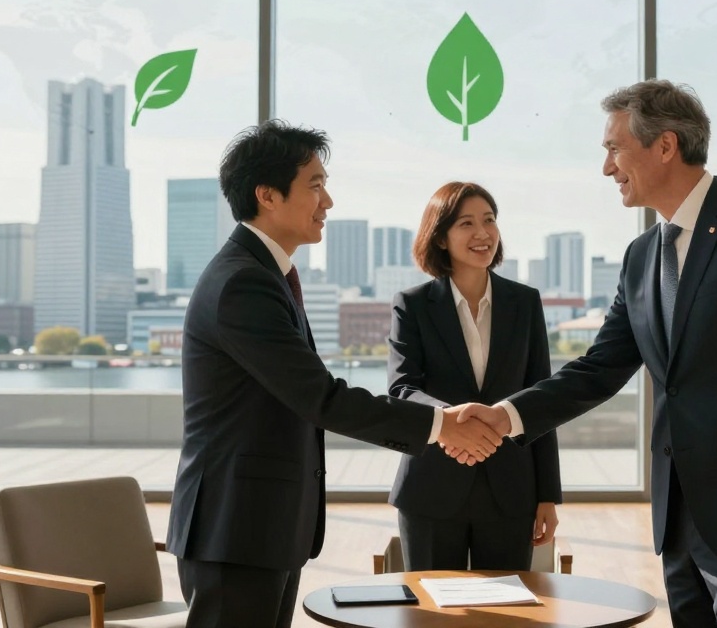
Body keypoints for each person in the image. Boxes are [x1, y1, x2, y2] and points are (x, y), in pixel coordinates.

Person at [457, 80, 717, 628]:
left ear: (665, 146)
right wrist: (505, 416)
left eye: (615, 149)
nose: (608, 168)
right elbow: (599, 369)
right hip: (679, 522)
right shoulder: (642, 255)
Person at [165, 121, 504, 628]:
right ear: (268, 196)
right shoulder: (243, 284)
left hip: (262, 526)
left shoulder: (265, 276)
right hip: (235, 528)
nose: (328, 201)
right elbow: (320, 397)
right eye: (316, 185)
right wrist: (441, 425)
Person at [387, 182, 562, 571]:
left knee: (508, 611)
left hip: (512, 490)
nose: (483, 233)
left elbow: (542, 400)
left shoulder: (525, 303)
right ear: (441, 237)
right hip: (431, 487)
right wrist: (454, 420)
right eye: (466, 223)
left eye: (489, 220)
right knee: (431, 613)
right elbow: (402, 389)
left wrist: (547, 494)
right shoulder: (413, 305)